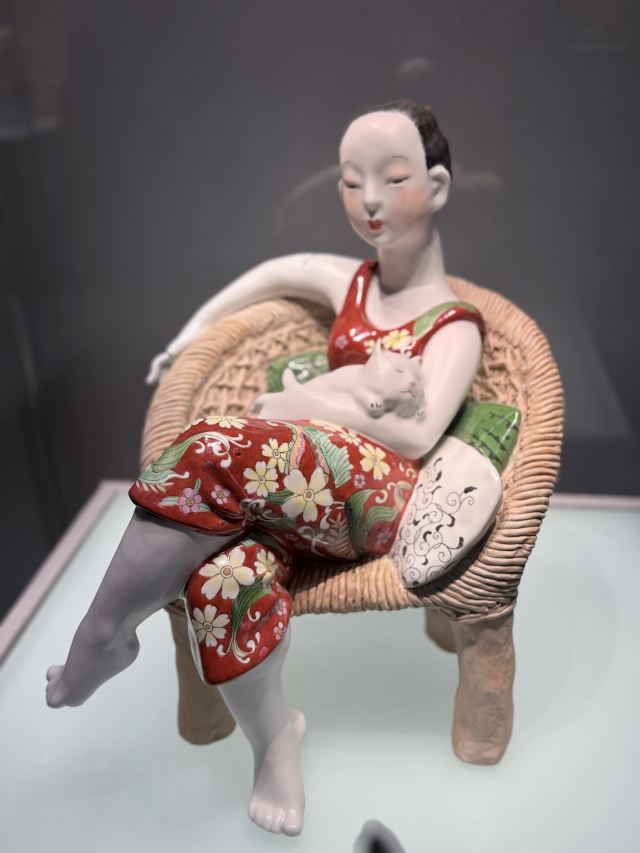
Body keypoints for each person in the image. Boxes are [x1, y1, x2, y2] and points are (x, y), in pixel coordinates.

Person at [46, 101, 488, 837]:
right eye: (350, 181)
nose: (369, 200)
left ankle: (101, 634)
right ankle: (276, 740)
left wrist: (299, 402)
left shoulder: (453, 324)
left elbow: (415, 435)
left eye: (393, 178)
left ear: (437, 186)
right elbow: (268, 275)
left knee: (213, 446)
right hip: (297, 495)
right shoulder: (350, 283)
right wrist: (185, 338)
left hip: (381, 496)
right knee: (224, 578)